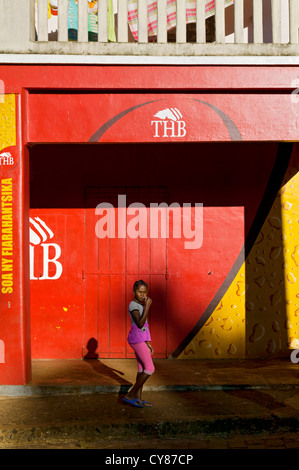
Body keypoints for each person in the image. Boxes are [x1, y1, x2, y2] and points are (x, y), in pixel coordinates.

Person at [123, 280, 155, 408]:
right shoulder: (133, 305)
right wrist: (147, 306)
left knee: (142, 369)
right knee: (150, 368)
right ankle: (131, 395)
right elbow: (140, 323)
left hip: (141, 338)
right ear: (133, 292)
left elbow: (145, 326)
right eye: (139, 291)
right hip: (136, 339)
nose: (142, 294)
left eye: (145, 292)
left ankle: (138, 399)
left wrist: (148, 341)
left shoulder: (140, 304)